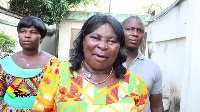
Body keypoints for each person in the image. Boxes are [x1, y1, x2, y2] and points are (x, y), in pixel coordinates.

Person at [32, 14, 148, 112]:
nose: (103, 46)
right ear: (83, 40)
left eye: (112, 41)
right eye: (95, 38)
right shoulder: (57, 73)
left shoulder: (135, 84)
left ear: (119, 47)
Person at [0, 16, 59, 111]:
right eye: (23, 31)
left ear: (41, 36)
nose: (27, 35)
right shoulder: (5, 63)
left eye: (33, 32)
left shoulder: (53, 64)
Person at [122, 16, 164, 112]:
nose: (135, 34)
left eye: (140, 31)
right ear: (120, 32)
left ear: (144, 35)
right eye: (129, 29)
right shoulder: (107, 63)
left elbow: (156, 106)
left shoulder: (153, 68)